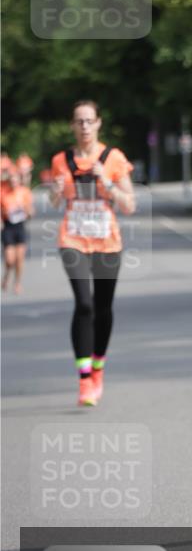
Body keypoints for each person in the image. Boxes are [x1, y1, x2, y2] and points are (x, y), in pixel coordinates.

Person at [49, 101, 135, 407]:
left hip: (107, 243)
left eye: (89, 121)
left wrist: (107, 181)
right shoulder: (61, 160)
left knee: (103, 307)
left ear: (98, 123)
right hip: (72, 239)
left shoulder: (113, 158)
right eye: (79, 121)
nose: (84, 126)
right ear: (72, 126)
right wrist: (56, 191)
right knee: (84, 305)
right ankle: (84, 379)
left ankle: (98, 366)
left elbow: (129, 205)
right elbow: (55, 202)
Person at [1, 168, 33, 294]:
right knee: (10, 259)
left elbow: (31, 212)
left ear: (19, 181)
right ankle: (7, 275)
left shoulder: (24, 192)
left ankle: (17, 283)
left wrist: (26, 210)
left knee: (19, 258)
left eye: (16, 180)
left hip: (20, 227)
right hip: (7, 227)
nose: (13, 182)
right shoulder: (3, 192)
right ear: (8, 181)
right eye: (11, 180)